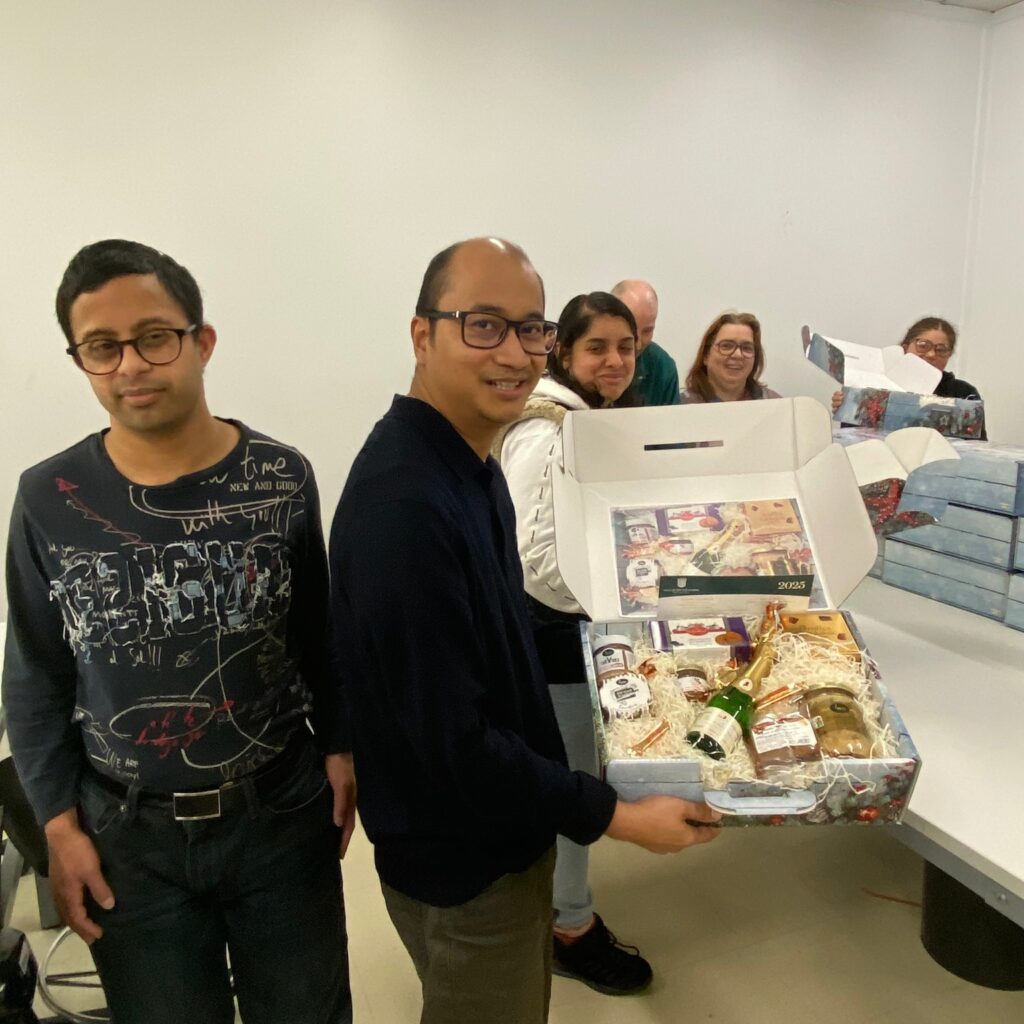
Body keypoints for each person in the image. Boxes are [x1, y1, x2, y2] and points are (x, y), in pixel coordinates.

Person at [329, 238, 721, 1024]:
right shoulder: (405, 506)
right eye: (483, 325)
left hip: (499, 835)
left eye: (531, 328)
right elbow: (457, 742)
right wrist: (617, 815)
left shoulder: (468, 463)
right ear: (421, 335)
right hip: (468, 863)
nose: (515, 353)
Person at [2, 240, 353, 1024]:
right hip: (127, 832)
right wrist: (58, 827)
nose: (131, 365)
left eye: (154, 337)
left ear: (203, 341)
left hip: (277, 810)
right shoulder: (48, 497)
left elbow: (318, 634)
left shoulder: (281, 478)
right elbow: (33, 677)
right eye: (102, 347)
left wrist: (340, 747)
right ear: (81, 361)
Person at [496, 292, 650, 996]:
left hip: (578, 629)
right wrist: (623, 592)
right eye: (597, 347)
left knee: (572, 779)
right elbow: (535, 560)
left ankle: (560, 911)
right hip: (555, 634)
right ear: (563, 350)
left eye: (626, 346)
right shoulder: (549, 426)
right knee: (573, 785)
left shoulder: (589, 418)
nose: (614, 360)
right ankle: (569, 926)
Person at [830, 316, 983, 411]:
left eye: (941, 350)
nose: (931, 354)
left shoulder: (964, 394)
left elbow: (977, 445)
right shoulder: (872, 384)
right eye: (923, 345)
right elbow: (854, 435)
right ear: (905, 347)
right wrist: (847, 407)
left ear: (949, 355)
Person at [681, 311, 780, 403]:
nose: (738, 355)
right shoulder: (681, 405)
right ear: (706, 355)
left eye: (746, 348)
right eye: (727, 346)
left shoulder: (775, 404)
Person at [611, 279, 680, 405]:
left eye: (647, 331)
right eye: (631, 329)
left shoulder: (663, 367)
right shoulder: (590, 359)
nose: (637, 344)